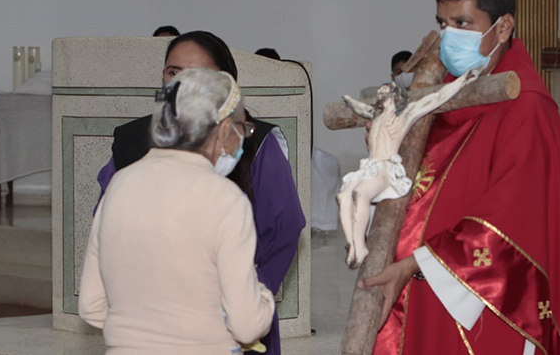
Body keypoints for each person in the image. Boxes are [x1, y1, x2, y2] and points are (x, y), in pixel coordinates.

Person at [360, 0, 560, 355]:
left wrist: (415, 264)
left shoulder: (529, 110)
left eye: (463, 24)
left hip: (481, 301)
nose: (450, 36)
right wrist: (386, 149)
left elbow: (510, 221)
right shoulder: (441, 97)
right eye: (443, 22)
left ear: (503, 26)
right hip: (423, 284)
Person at [96, 31, 305, 355]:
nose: (182, 85)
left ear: (227, 84)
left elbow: (284, 225)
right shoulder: (131, 142)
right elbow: (108, 227)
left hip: (232, 313)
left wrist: (250, 291)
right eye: (173, 72)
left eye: (197, 75)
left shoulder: (254, 142)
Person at [339, 70, 478, 269]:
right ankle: (352, 244)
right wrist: (349, 100)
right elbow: (361, 108)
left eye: (386, 89)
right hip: (368, 166)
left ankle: (360, 246)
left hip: (386, 167)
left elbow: (438, 97)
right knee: (343, 196)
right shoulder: (376, 115)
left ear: (396, 94)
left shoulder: (406, 113)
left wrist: (462, 81)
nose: (382, 91)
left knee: (360, 193)